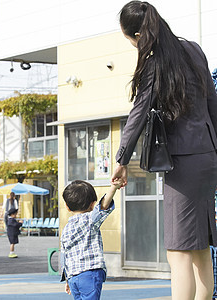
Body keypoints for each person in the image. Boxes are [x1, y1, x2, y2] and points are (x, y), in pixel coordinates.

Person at [113, 2, 217, 299]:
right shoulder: (193, 49)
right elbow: (213, 103)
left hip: (182, 164)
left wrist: (122, 160)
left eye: (130, 40)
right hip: (208, 156)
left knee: (179, 251)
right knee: (199, 248)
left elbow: (138, 114)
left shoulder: (153, 62)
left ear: (137, 35)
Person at [60, 179, 122, 299]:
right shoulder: (90, 220)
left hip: (73, 277)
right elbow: (103, 207)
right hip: (89, 273)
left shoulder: (66, 229)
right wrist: (113, 187)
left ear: (67, 207)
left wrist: (67, 278)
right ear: (93, 204)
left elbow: (64, 255)